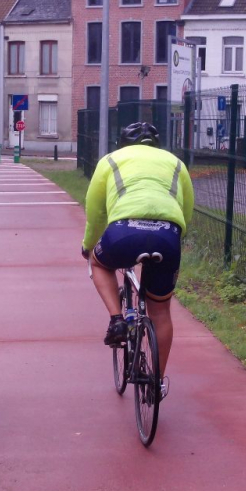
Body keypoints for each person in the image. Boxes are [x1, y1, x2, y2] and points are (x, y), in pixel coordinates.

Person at [81, 121, 194, 399]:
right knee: (161, 311)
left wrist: (88, 245)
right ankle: (156, 384)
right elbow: (187, 209)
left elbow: (95, 213)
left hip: (123, 232)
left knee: (98, 264)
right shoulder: (176, 163)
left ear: (122, 144)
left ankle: (117, 320)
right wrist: (175, 238)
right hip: (167, 236)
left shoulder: (110, 160)